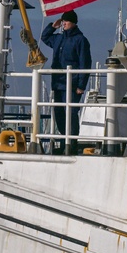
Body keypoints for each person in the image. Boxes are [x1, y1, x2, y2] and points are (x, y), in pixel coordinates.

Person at [41, 10, 92, 154]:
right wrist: (53, 26)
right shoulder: (58, 39)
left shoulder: (80, 40)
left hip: (72, 85)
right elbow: (45, 37)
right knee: (59, 114)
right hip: (58, 83)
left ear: (73, 23)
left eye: (66, 21)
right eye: (63, 21)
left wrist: (81, 86)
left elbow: (85, 63)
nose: (63, 23)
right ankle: (64, 143)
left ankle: (72, 145)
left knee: (71, 113)